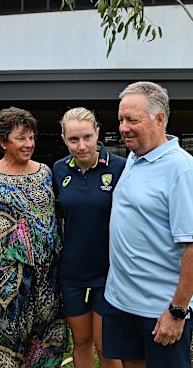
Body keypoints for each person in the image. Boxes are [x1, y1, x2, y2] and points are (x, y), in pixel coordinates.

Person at [103, 81, 193, 368]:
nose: (123, 128)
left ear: (159, 118)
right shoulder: (134, 160)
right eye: (121, 120)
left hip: (159, 310)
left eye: (132, 120)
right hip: (122, 302)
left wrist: (176, 312)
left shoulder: (181, 170)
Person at [0, 107, 69, 367]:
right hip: (9, 289)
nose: (29, 144)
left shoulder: (46, 174)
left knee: (47, 354)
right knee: (7, 356)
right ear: (2, 141)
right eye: (21, 138)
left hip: (50, 286)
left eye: (31, 137)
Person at [52, 108, 125, 368]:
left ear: (97, 133)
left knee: (106, 345)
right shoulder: (59, 170)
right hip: (71, 273)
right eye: (73, 140)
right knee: (81, 341)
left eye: (87, 137)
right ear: (63, 138)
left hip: (109, 272)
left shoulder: (120, 168)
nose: (81, 146)